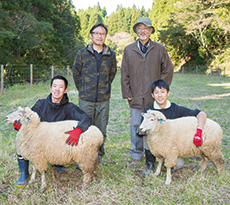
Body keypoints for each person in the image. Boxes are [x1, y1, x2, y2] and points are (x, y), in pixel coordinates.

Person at [13, 75, 91, 187]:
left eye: (60, 87)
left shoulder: (69, 107)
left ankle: (58, 164)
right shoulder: (40, 104)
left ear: (65, 90)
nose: (57, 89)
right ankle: (24, 173)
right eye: (54, 86)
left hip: (57, 143)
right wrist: (20, 124)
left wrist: (79, 130)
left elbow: (86, 118)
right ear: (50, 88)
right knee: (20, 140)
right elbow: (28, 119)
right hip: (40, 142)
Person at [121, 17, 174, 165]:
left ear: (151, 30)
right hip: (136, 96)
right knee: (136, 125)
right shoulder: (128, 49)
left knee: (155, 126)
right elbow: (124, 73)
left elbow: (168, 70)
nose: (142, 31)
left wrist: (160, 91)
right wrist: (128, 93)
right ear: (136, 31)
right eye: (139, 28)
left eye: (146, 28)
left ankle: (156, 153)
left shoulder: (159, 49)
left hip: (153, 97)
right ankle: (136, 154)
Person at [139, 79, 207, 176]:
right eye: (156, 92)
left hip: (171, 146)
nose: (160, 95)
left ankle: (168, 160)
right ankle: (150, 163)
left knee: (178, 165)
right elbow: (142, 127)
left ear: (168, 93)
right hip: (156, 144)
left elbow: (201, 114)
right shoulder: (150, 111)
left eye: (163, 92)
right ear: (152, 95)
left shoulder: (176, 109)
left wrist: (199, 131)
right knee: (148, 135)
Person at [72, 23, 117, 165]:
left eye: (102, 33)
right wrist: (83, 89)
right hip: (86, 99)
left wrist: (104, 87)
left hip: (103, 99)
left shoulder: (110, 55)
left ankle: (98, 156)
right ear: (91, 35)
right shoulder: (82, 54)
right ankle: (83, 157)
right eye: (96, 33)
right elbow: (76, 73)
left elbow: (112, 74)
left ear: (105, 36)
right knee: (84, 127)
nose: (99, 36)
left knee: (101, 129)